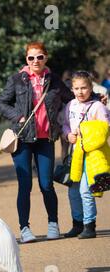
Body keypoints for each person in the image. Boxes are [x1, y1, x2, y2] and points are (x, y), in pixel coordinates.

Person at [0, 41, 74, 243]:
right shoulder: (17, 80)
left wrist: (94, 98)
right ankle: (25, 228)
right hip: (22, 139)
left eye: (39, 57)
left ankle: (53, 224)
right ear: (26, 60)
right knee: (25, 185)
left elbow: (72, 98)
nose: (35, 61)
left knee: (47, 184)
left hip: (45, 139)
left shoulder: (54, 80)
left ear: (45, 57)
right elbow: (0, 103)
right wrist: (18, 116)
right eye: (31, 57)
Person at [61, 71, 110, 239]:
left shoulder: (98, 107)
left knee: (85, 191)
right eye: (76, 88)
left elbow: (105, 130)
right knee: (73, 191)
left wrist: (85, 136)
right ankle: (77, 223)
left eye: (84, 88)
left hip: (91, 156)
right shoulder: (70, 105)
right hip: (75, 156)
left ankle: (90, 225)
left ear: (91, 88)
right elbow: (65, 125)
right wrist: (68, 135)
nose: (80, 92)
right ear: (72, 89)